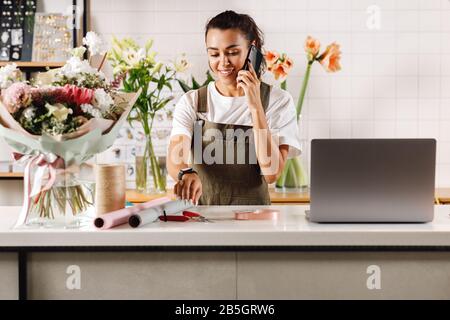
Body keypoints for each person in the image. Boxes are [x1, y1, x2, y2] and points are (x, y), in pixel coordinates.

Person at [167, 10, 301, 205]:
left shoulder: (278, 101)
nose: (222, 62)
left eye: (232, 52)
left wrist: (255, 106)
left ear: (251, 50)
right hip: (203, 221)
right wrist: (185, 172)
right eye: (214, 54)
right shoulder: (193, 102)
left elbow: (272, 173)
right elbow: (176, 155)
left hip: (255, 224)